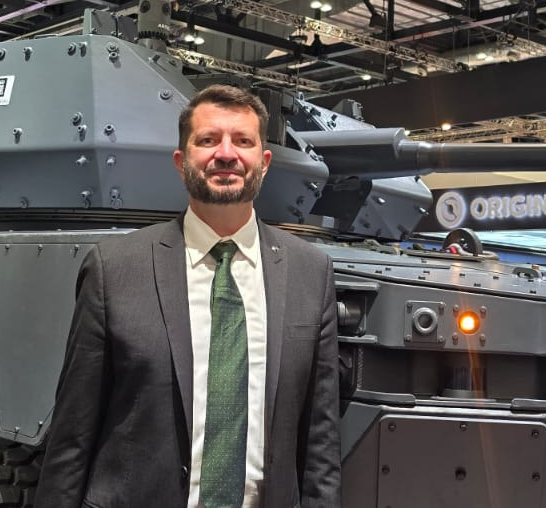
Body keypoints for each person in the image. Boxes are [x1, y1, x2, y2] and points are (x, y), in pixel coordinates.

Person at [38, 84, 341, 508]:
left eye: (243, 141)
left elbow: (320, 443)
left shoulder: (311, 273)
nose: (226, 154)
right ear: (182, 162)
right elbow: (73, 432)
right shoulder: (115, 269)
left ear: (264, 162)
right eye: (208, 139)